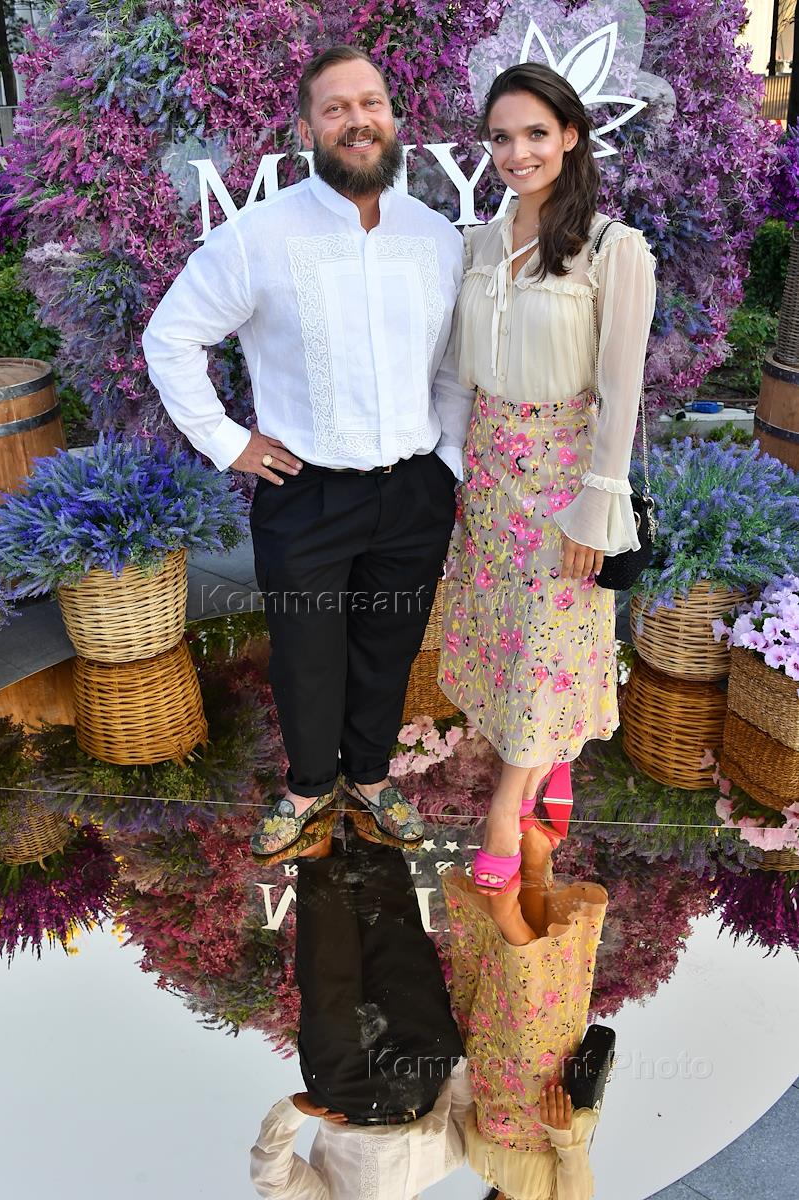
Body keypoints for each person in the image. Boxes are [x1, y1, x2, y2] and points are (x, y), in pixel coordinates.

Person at [142, 45, 472, 859]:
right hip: (306, 493)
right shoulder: (258, 237)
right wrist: (229, 442)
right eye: (336, 108)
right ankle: (307, 786)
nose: (358, 120)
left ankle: (372, 778)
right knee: (306, 654)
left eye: (372, 103)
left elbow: (455, 363)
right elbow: (170, 337)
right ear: (306, 130)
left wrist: (448, 459)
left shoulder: (436, 237)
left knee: (391, 647)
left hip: (414, 492)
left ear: (393, 118)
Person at [438, 62, 657, 892]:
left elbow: (622, 390)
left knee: (548, 639)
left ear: (570, 136)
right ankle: (552, 759)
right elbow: (459, 372)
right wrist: (448, 468)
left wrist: (599, 504)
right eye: (501, 137)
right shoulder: (478, 244)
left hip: (566, 477)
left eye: (535, 133)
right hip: (488, 473)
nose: (517, 153)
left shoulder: (611, 248)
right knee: (511, 642)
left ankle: (505, 810)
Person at [250, 811, 470, 1198]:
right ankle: (370, 827)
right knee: (400, 948)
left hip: (348, 1092)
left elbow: (271, 1181)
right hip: (423, 1073)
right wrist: (457, 1061)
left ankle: (317, 849)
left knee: (329, 974)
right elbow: (464, 1108)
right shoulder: (446, 1165)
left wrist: (292, 1112)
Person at [442, 822, 609, 1200]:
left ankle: (534, 861)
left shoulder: (481, 1168)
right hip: (538, 1104)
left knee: (493, 981)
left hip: (490, 1072)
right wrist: (564, 1138)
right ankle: (509, 915)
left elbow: (467, 1111)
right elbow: (579, 1184)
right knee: (530, 1006)